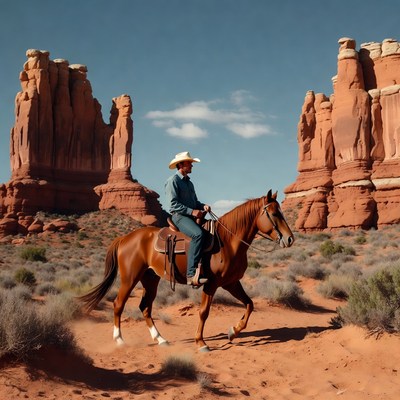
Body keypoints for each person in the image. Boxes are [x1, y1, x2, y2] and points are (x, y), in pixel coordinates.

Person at [165, 151, 211, 287]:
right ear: (181, 165)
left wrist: (203, 206)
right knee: (198, 235)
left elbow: (195, 202)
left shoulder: (189, 184)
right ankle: (191, 274)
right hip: (179, 217)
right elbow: (172, 204)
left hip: (190, 215)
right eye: (189, 163)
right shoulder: (173, 181)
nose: (192, 165)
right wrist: (192, 211)